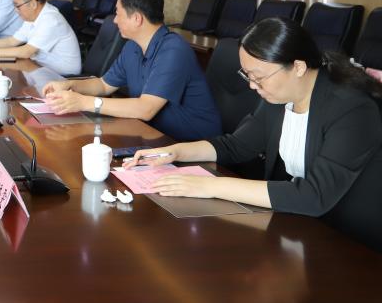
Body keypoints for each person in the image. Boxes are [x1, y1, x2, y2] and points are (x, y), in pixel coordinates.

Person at [124, 17, 382, 251]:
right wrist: (175, 152)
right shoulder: (280, 94)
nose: (251, 85)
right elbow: (236, 146)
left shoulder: (353, 109)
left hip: (351, 242)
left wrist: (209, 186)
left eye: (258, 77)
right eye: (247, 75)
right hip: (301, 225)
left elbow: (314, 195)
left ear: (298, 67)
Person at [42, 0, 221, 141]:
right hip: (153, 136)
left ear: (136, 19)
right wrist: (69, 85)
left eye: (118, 14)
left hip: (191, 146)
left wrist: (84, 102)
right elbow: (104, 85)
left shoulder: (174, 50)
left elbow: (146, 109)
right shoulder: (132, 47)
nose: (115, 20)